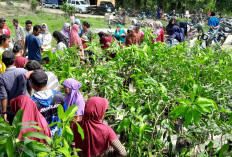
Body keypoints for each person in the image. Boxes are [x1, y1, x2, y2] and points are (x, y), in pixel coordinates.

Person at [30, 70, 67, 136]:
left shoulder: (32, 102)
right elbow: (65, 114)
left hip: (42, 138)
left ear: (32, 84)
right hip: (57, 136)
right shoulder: (58, 95)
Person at [0, 50, 31, 124]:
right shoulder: (24, 71)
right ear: (14, 60)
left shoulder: (2, 77)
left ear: (3, 61)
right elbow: (30, 87)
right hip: (25, 105)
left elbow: (4, 97)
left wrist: (4, 113)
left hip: (11, 109)